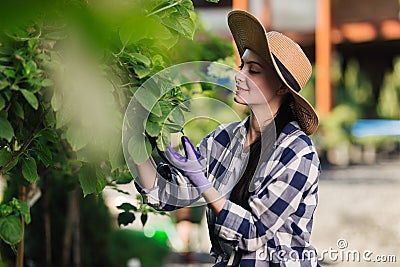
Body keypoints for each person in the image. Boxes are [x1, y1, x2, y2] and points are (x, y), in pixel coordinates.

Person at [134, 10, 321, 267]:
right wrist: (136, 143)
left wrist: (204, 183)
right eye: (242, 66)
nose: (240, 75)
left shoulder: (298, 152)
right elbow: (165, 194)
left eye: (253, 70)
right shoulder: (223, 139)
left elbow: (255, 232)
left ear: (280, 87)